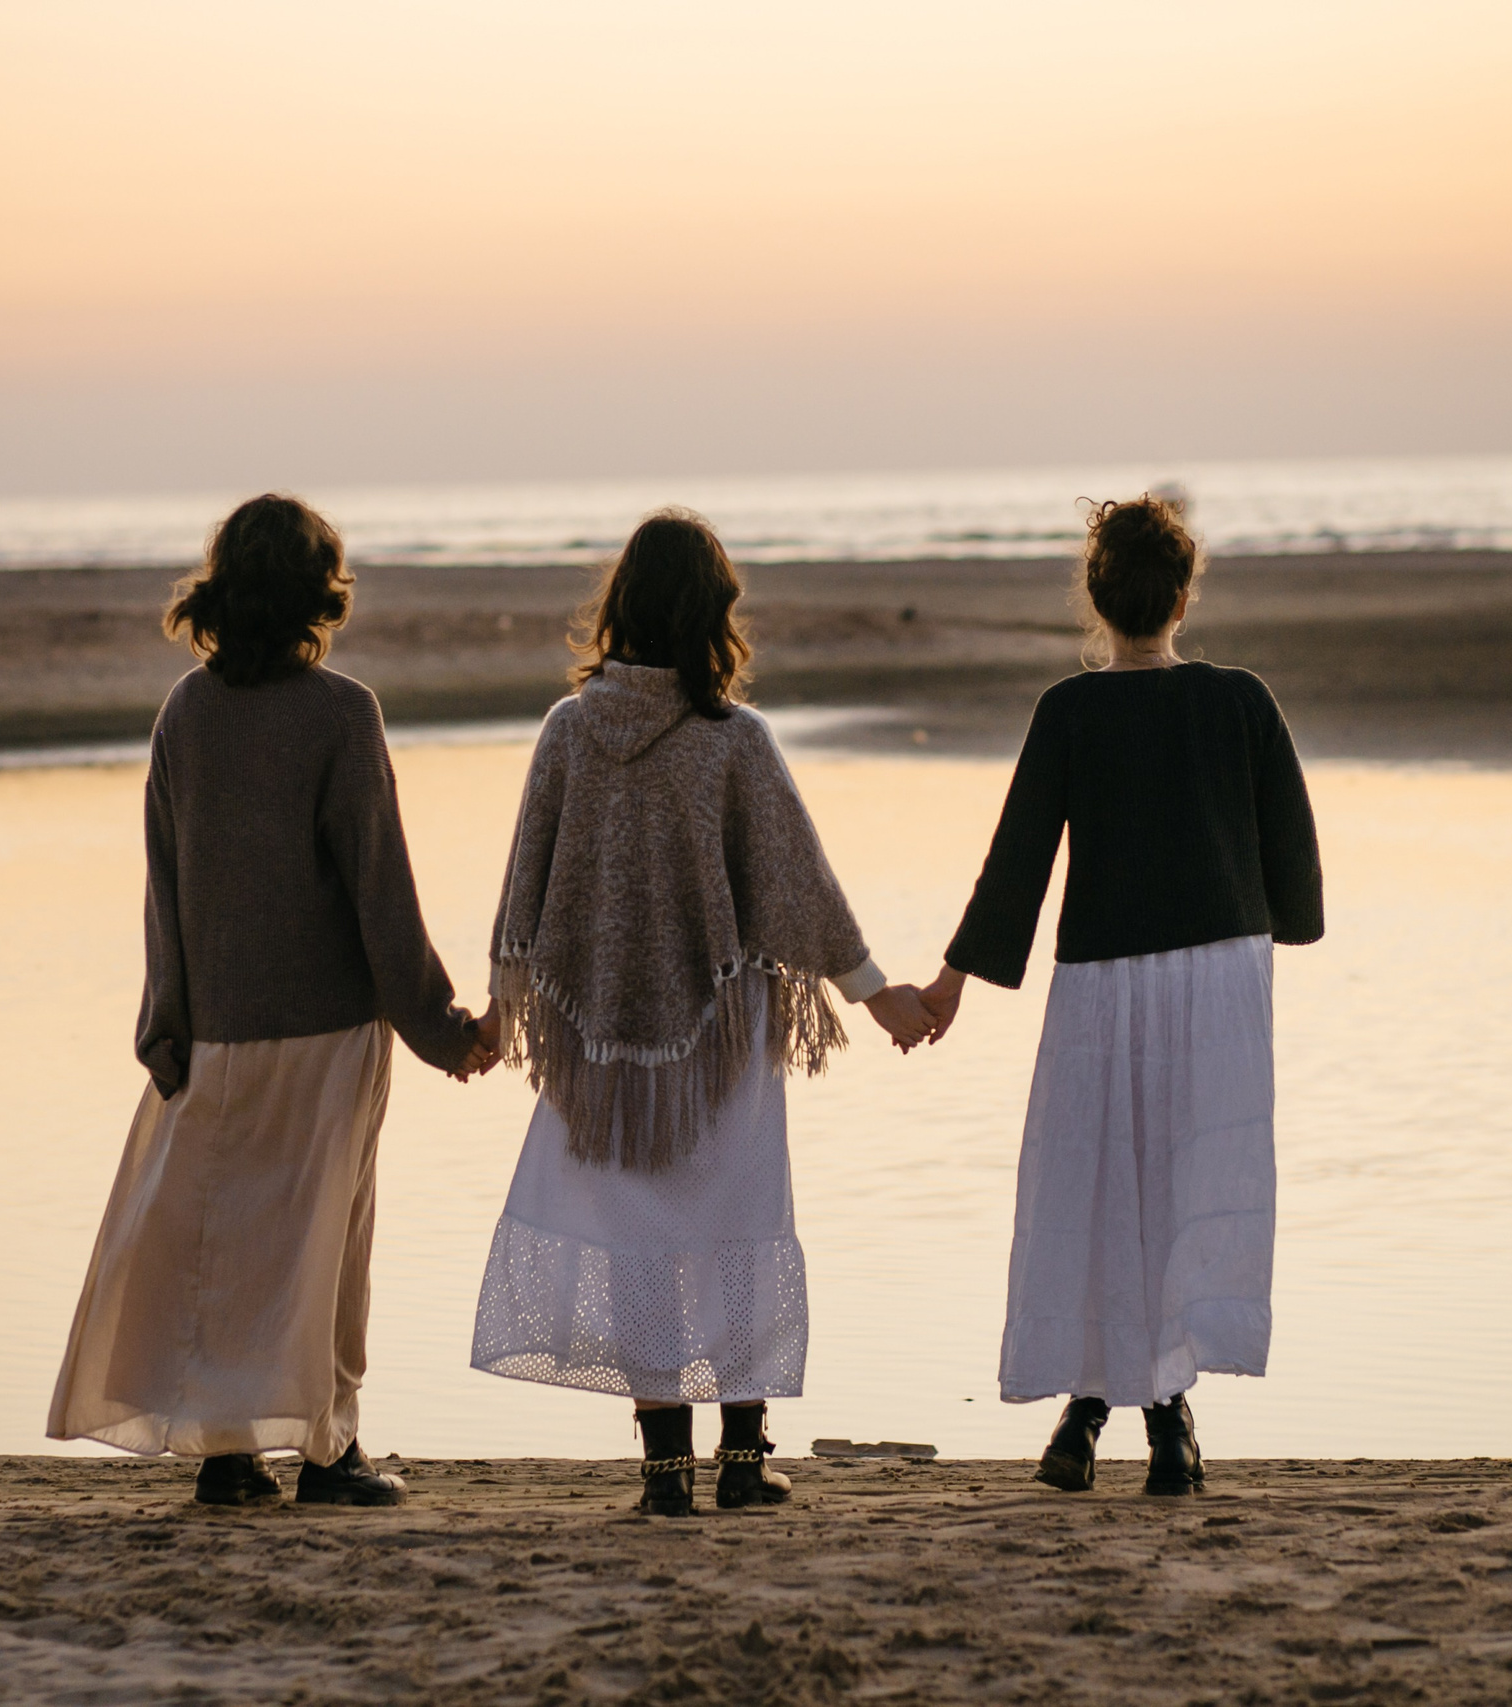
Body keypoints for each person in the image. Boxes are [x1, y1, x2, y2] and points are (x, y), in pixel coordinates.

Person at [467, 508, 935, 1515]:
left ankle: (664, 1472)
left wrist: (503, 1019)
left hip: (598, 1043)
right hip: (721, 1035)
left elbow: (523, 893)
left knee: (636, 1238)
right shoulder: (734, 740)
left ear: (622, 608)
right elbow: (796, 886)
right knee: (737, 1224)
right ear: (712, 615)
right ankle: (742, 1460)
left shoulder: (569, 729)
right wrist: (875, 993)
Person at [46, 493, 494, 1508]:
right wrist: (442, 1030)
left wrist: (166, 1025)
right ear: (314, 594)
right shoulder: (341, 714)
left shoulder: (185, 711)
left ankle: (226, 1453)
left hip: (213, 1028)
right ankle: (330, 1454)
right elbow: (382, 893)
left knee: (219, 1238)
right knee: (322, 1245)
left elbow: (165, 885)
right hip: (327, 1033)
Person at [918, 494, 1323, 1496]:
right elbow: (1293, 854)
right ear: (1183, 595)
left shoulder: (1071, 709)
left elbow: (1016, 861)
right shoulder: (1242, 701)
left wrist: (952, 979)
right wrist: (1288, 924)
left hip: (1103, 974)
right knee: (1182, 1189)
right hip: (1220, 976)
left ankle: (1089, 1414)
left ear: (1094, 601)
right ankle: (1167, 1424)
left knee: (1100, 1184)